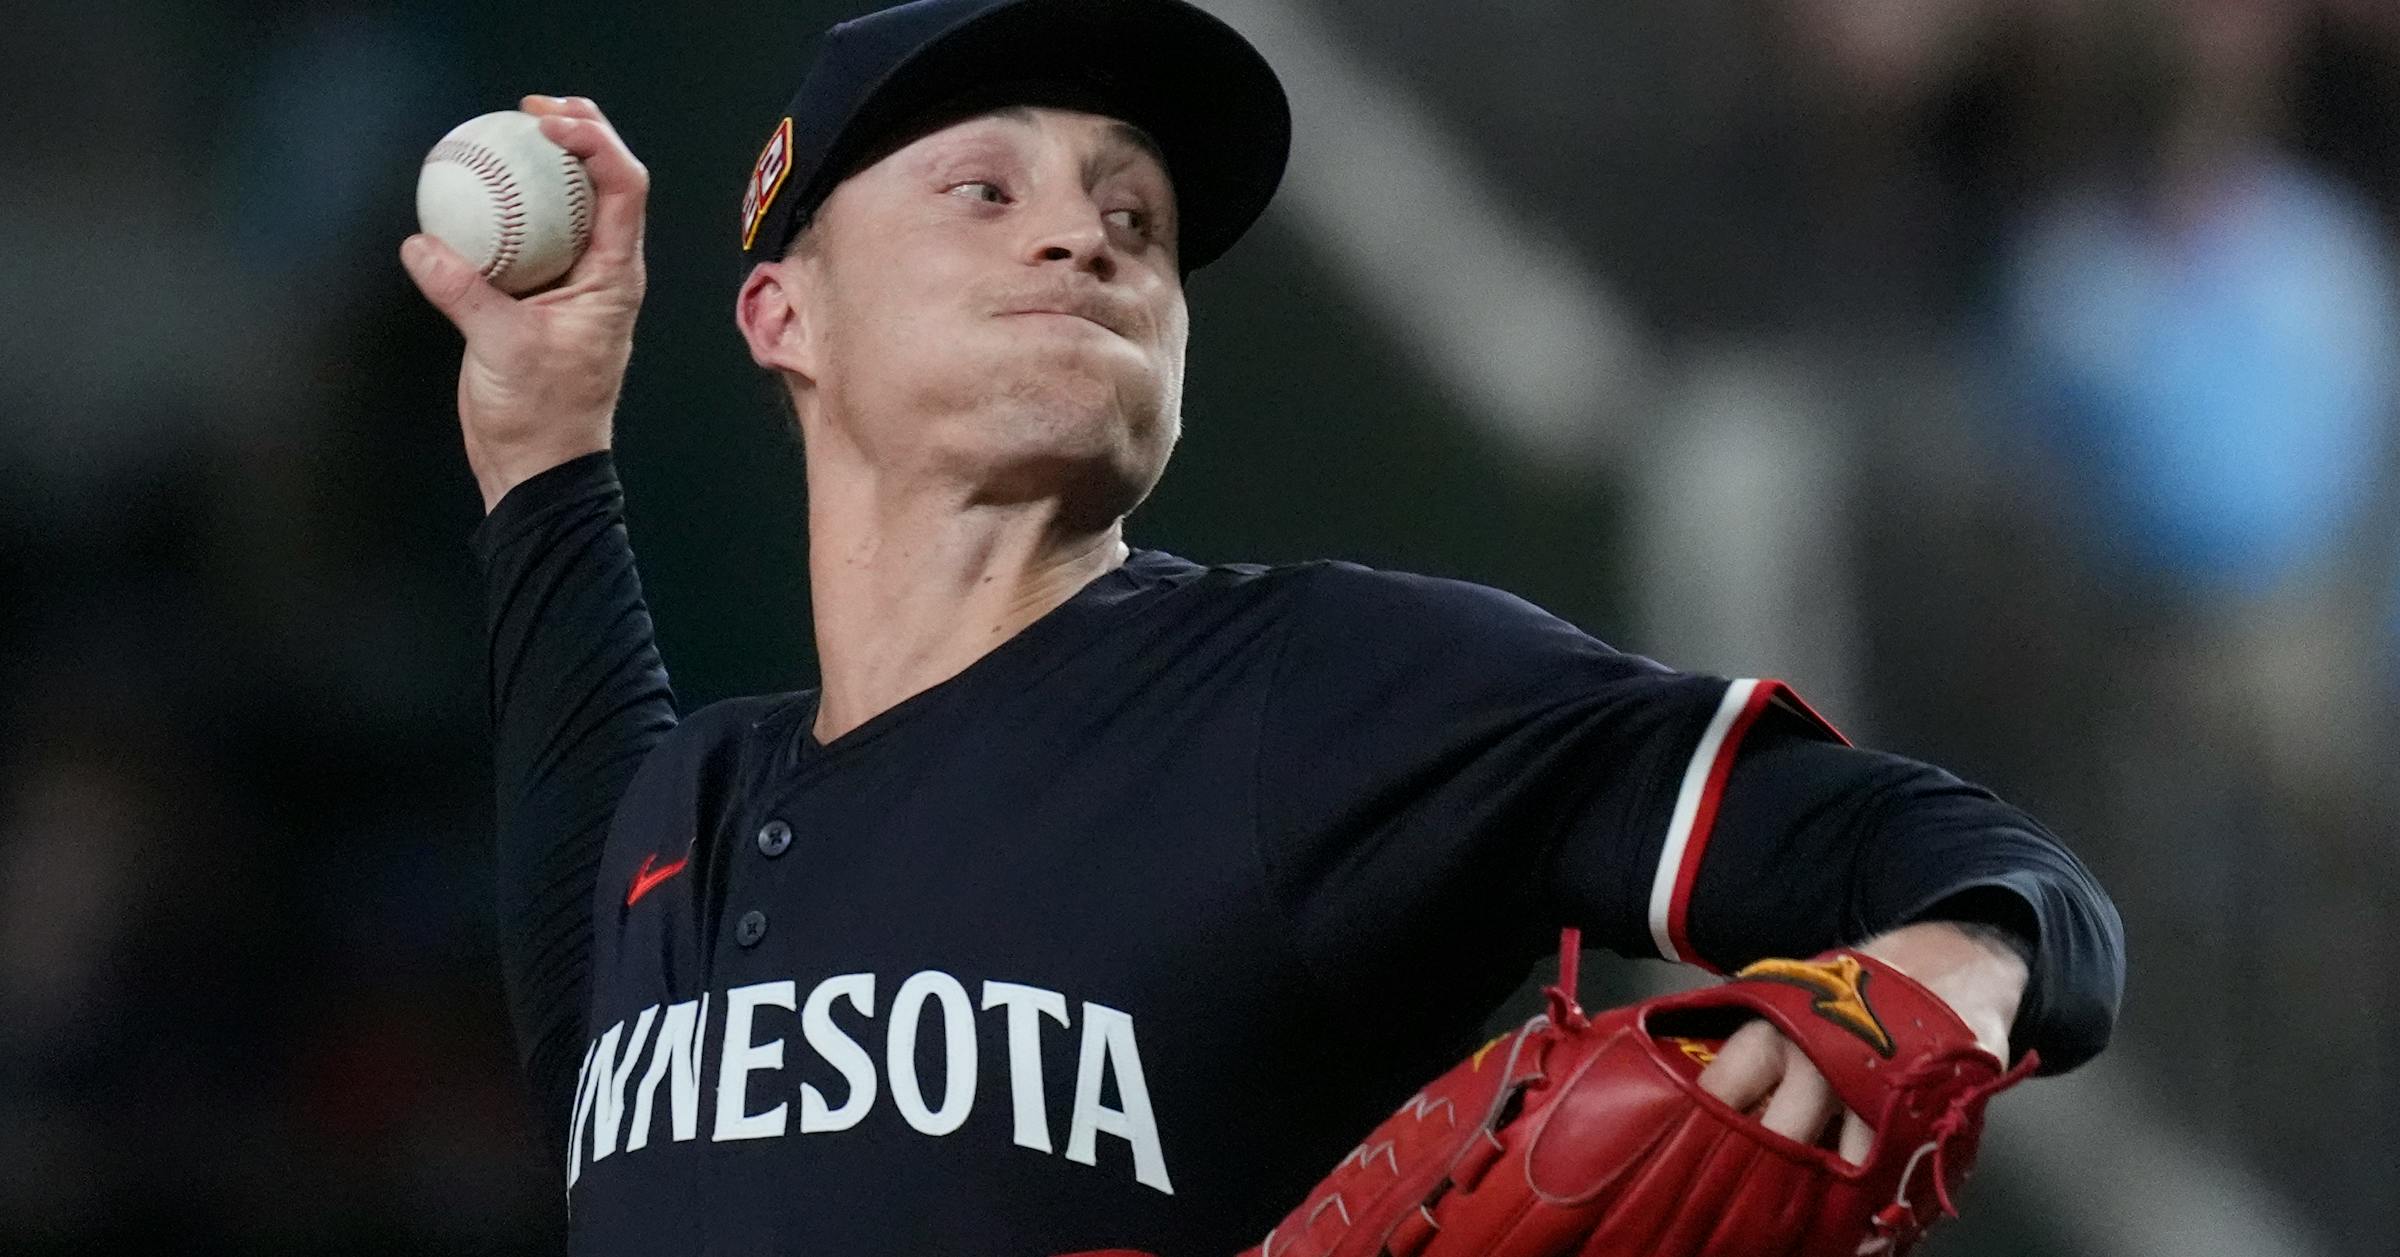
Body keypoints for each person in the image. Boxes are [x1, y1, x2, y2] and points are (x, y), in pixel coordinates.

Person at [397, 1, 2124, 1253]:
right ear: (787, 312)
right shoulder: (669, 829)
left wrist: (1969, 955)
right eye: (984, 191)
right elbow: (569, 716)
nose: (1085, 230)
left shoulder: (1323, 690)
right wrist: (544, 437)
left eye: (1134, 217)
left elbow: (1984, 869)